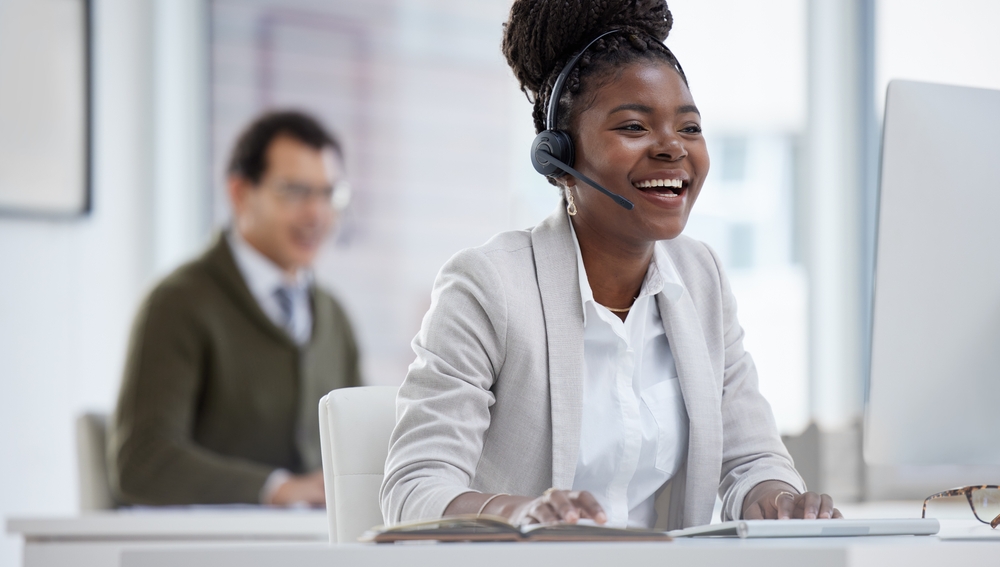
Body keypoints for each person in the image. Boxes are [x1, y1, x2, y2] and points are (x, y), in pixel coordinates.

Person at [381, 0, 841, 529]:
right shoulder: (489, 286)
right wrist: (519, 514)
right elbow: (413, 487)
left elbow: (752, 459)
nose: (673, 148)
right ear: (560, 158)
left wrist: (779, 498)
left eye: (689, 128)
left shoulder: (701, 278)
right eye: (633, 128)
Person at [110, 111, 360, 507]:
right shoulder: (179, 302)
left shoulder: (334, 316)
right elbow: (143, 461)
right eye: (295, 192)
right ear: (241, 192)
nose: (317, 213)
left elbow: (361, 445)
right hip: (213, 547)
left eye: (329, 194)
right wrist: (277, 489)